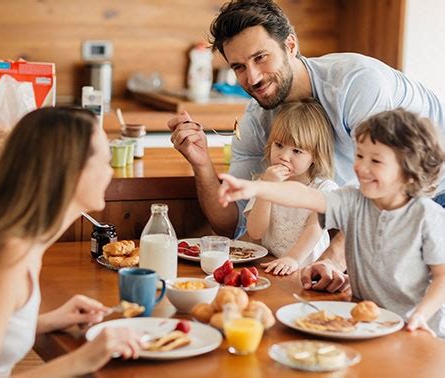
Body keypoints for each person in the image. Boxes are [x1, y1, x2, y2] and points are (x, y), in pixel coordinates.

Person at [167, 0, 445, 290]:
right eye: (239, 66)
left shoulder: (356, 86)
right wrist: (201, 163)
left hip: (435, 189)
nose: (252, 77)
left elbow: (385, 191)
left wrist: (330, 261)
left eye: (261, 57)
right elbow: (236, 223)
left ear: (290, 45)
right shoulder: (259, 118)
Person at [218, 108, 445, 337]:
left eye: (375, 160)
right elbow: (306, 196)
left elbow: (442, 276)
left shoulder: (429, 218)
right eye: (359, 156)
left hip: (419, 331)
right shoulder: (353, 200)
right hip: (366, 321)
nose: (361, 168)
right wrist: (256, 187)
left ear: (409, 172)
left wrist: (421, 315)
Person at [0, 107, 145, 377]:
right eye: (104, 161)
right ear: (72, 171)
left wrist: (48, 321)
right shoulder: (9, 254)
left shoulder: (25, 242)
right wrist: (84, 359)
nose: (110, 173)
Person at [244, 99, 338, 275]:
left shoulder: (323, 189)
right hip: (271, 268)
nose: (284, 156)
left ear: (315, 156)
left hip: (307, 271)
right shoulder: (263, 182)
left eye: (297, 151)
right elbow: (255, 232)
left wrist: (293, 259)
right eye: (279, 145)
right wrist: (268, 189)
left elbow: (314, 229)